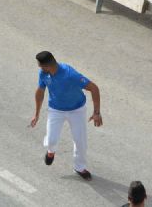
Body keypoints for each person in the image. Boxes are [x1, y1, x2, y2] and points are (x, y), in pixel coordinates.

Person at [30, 51, 102, 180]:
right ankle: (51, 151)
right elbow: (40, 92)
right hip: (56, 110)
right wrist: (37, 114)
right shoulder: (44, 73)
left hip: (77, 110)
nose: (39, 68)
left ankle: (79, 167)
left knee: (80, 142)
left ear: (47, 65)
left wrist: (96, 112)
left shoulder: (70, 74)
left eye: (40, 66)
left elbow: (94, 88)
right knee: (52, 140)